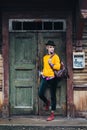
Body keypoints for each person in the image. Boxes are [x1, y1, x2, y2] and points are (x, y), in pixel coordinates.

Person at [38, 40, 61, 121]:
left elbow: (58, 67)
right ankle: (47, 102)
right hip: (45, 77)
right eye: (50, 47)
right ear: (47, 48)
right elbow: (45, 68)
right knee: (40, 93)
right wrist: (42, 73)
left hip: (53, 79)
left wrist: (52, 64)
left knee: (53, 96)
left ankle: (52, 114)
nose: (52, 49)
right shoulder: (45, 57)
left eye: (53, 47)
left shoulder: (55, 56)